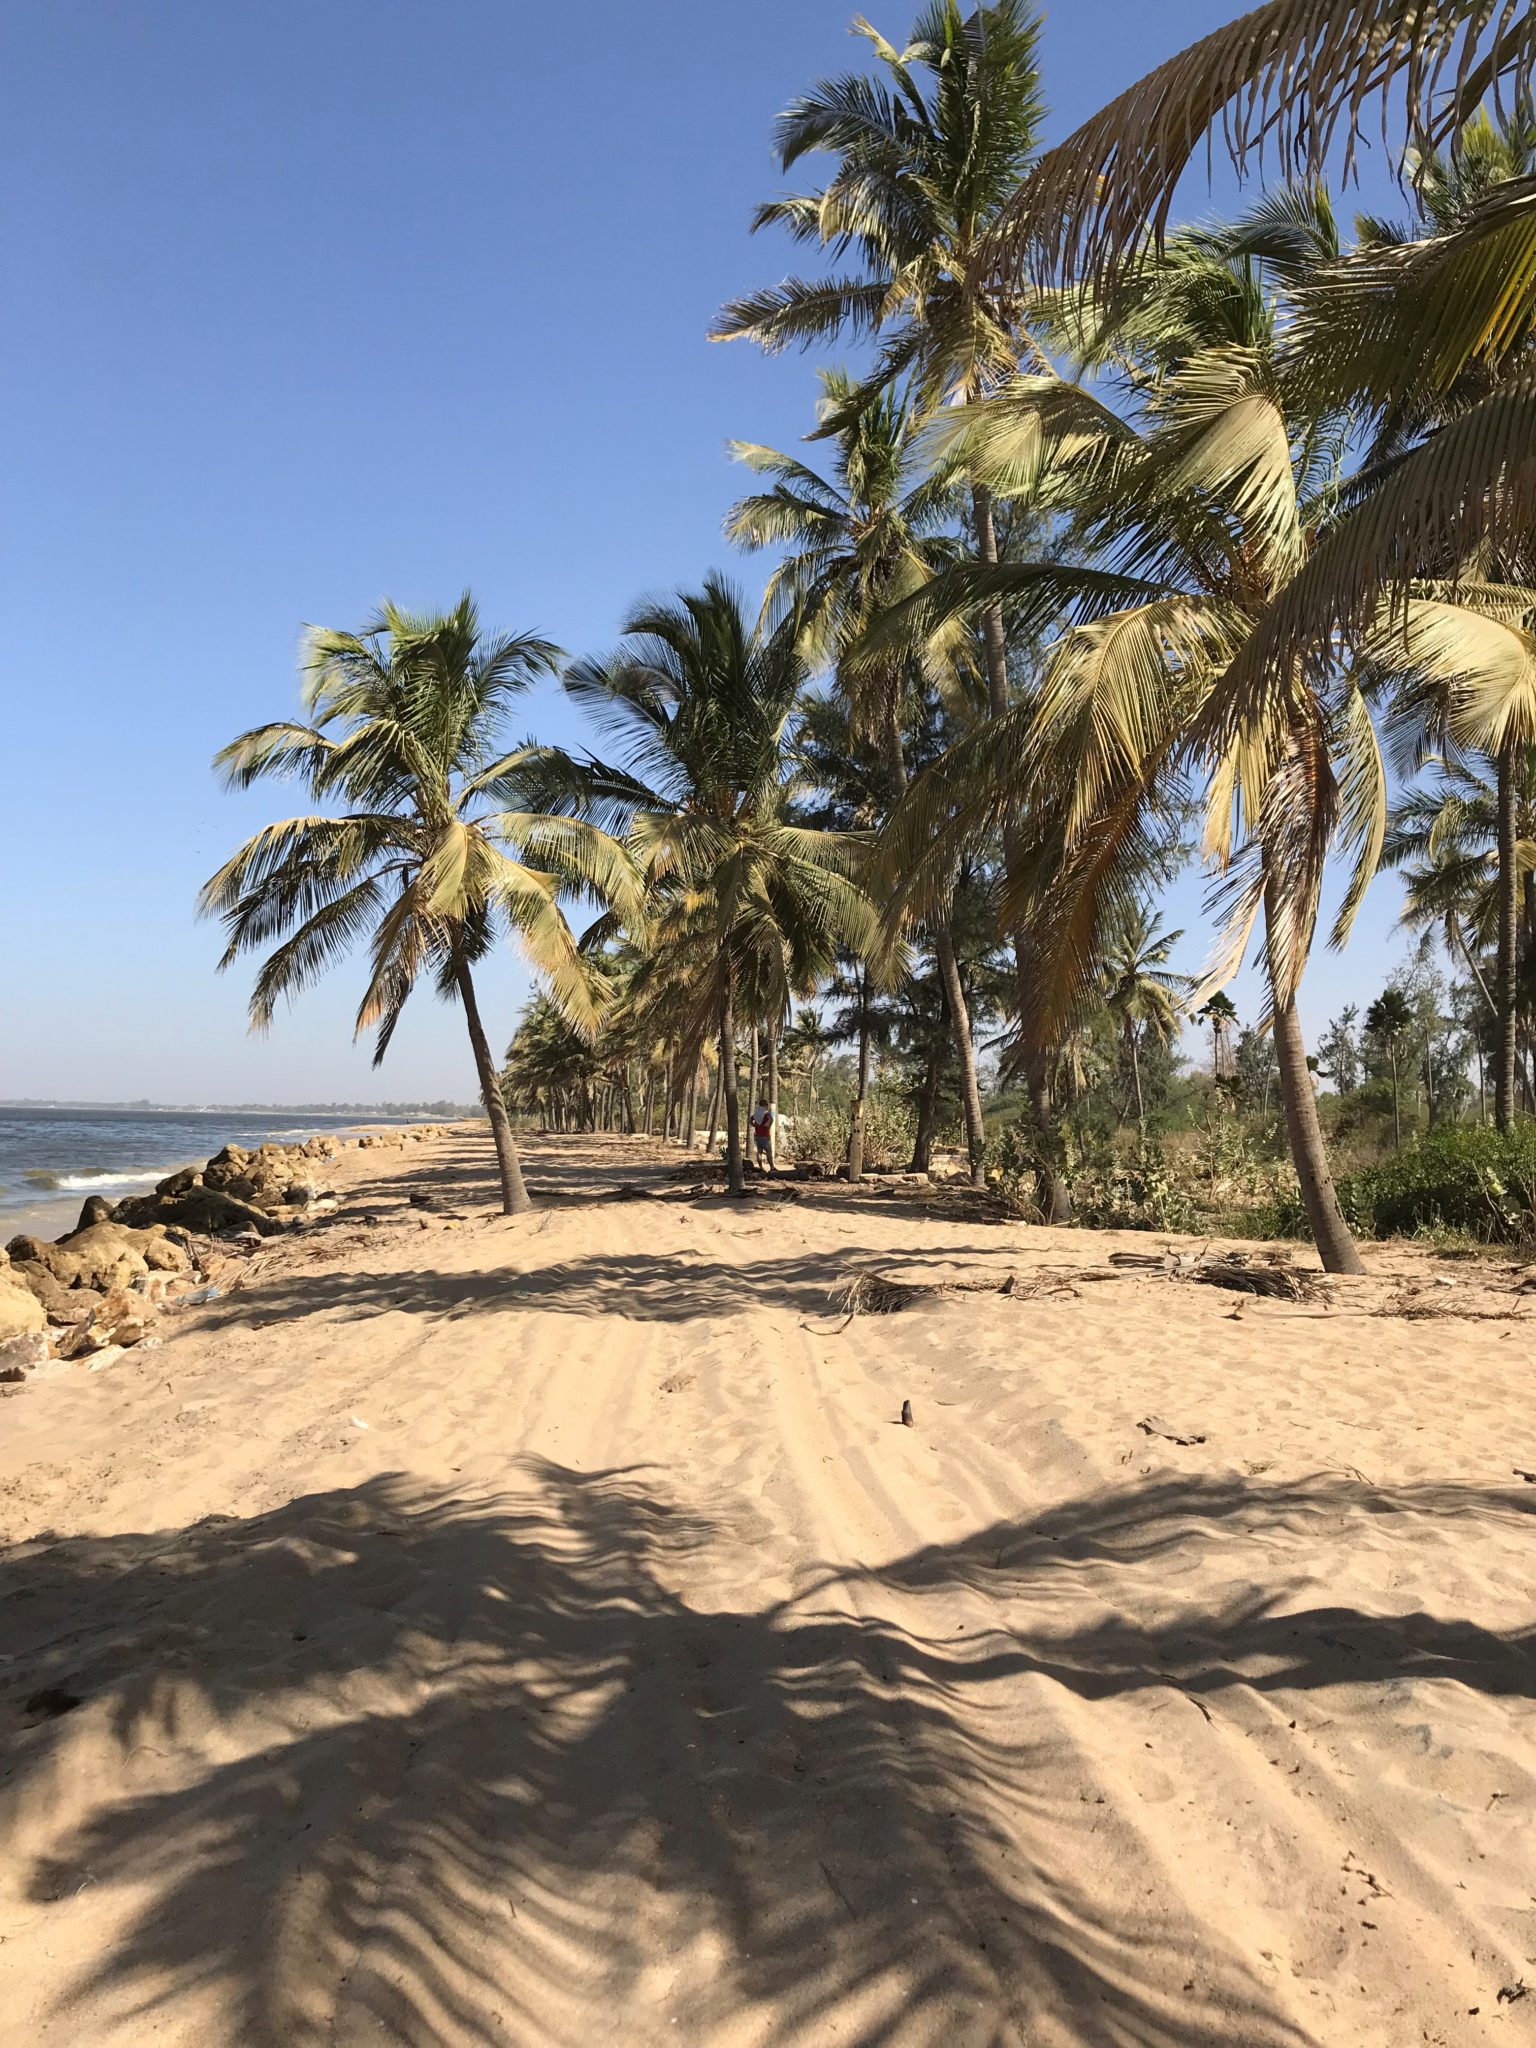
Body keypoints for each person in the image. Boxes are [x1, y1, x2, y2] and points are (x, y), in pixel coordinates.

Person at [748, 1097, 775, 1173]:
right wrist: (768, 1125)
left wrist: (754, 1125)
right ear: (765, 1105)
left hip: (758, 1136)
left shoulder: (757, 1114)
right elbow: (769, 1122)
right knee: (768, 1152)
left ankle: (761, 1168)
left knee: (759, 1152)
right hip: (765, 1137)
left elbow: (750, 1119)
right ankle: (772, 1168)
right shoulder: (766, 1114)